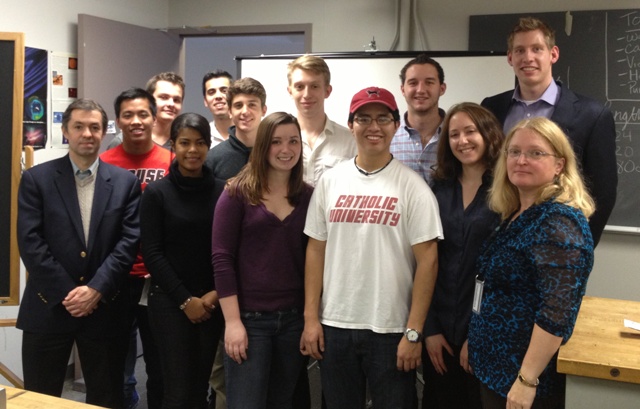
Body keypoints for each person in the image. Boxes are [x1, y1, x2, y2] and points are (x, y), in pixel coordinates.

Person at [301, 87, 443, 409]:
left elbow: (429, 262)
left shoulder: (414, 187)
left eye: (383, 118)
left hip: (391, 329)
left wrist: (413, 332)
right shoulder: (331, 181)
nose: (373, 127)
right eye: (363, 118)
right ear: (351, 125)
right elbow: (315, 250)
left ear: (396, 125)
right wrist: (312, 318)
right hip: (335, 325)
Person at [16, 99, 141, 408]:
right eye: (79, 126)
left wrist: (96, 289)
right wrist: (70, 293)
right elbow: (31, 243)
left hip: (104, 309)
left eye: (95, 127)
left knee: (107, 397)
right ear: (65, 131)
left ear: (104, 132)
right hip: (48, 306)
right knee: (39, 400)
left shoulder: (125, 183)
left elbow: (128, 242)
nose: (88, 133)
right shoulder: (36, 179)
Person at [467, 117, 595, 409]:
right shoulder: (517, 212)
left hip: (523, 378)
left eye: (536, 153)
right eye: (514, 152)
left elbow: (556, 312)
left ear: (559, 165)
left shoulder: (558, 223)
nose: (521, 160)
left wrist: (527, 381)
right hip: (496, 366)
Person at [481, 16, 616, 246]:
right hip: (499, 236)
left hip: (556, 243)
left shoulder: (592, 115)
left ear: (553, 54)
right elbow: (485, 175)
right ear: (510, 57)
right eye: (520, 50)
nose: (528, 57)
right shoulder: (491, 108)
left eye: (537, 49)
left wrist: (579, 248)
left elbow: (603, 193)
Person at [212, 112, 313, 408]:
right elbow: (221, 259)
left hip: (293, 321)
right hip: (249, 321)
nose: (286, 149)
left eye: (293, 141)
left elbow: (314, 259)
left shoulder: (307, 196)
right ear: (263, 147)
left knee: (281, 402)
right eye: (277, 142)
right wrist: (232, 322)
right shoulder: (236, 193)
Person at [422, 103, 503, 409]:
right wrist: (429, 329)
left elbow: (502, 273)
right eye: (454, 134)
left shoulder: (507, 190)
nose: (462, 140)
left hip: (486, 332)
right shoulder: (438, 189)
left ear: (488, 135)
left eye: (471, 131)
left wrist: (478, 335)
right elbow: (424, 262)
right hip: (440, 330)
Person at [141, 113, 225, 409]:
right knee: (176, 392)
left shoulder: (223, 191)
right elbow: (152, 252)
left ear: (208, 145)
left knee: (200, 389)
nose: (193, 150)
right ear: (173, 145)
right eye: (185, 143)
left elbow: (229, 248)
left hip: (211, 301)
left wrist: (213, 295)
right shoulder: (156, 193)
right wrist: (185, 300)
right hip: (169, 303)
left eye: (200, 143)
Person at [101, 87, 174, 409]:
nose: (136, 121)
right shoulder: (104, 163)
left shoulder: (170, 161)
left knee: (159, 367)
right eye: (127, 115)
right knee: (117, 368)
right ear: (118, 121)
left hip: (156, 280)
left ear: (154, 118)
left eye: (143, 114)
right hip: (115, 280)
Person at [287, 55, 357, 186]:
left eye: (314, 86)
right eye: (299, 87)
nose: (307, 95)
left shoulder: (350, 141)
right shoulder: (278, 142)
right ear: (290, 91)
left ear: (327, 91)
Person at [390, 55, 447, 185]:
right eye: (413, 83)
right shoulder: (387, 137)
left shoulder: (457, 136)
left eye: (429, 82)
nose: (421, 90)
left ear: (442, 89)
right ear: (403, 89)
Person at [205, 77, 267, 181]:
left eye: (252, 105)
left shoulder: (275, 153)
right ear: (230, 112)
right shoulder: (212, 158)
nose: (245, 112)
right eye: (238, 105)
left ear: (264, 110)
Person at [107, 72, 185, 151]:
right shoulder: (122, 141)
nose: (171, 104)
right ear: (149, 100)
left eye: (176, 100)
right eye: (164, 97)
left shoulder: (183, 142)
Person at [202, 69, 234, 147]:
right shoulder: (201, 137)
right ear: (205, 101)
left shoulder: (247, 133)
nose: (218, 96)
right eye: (211, 92)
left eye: (224, 91)